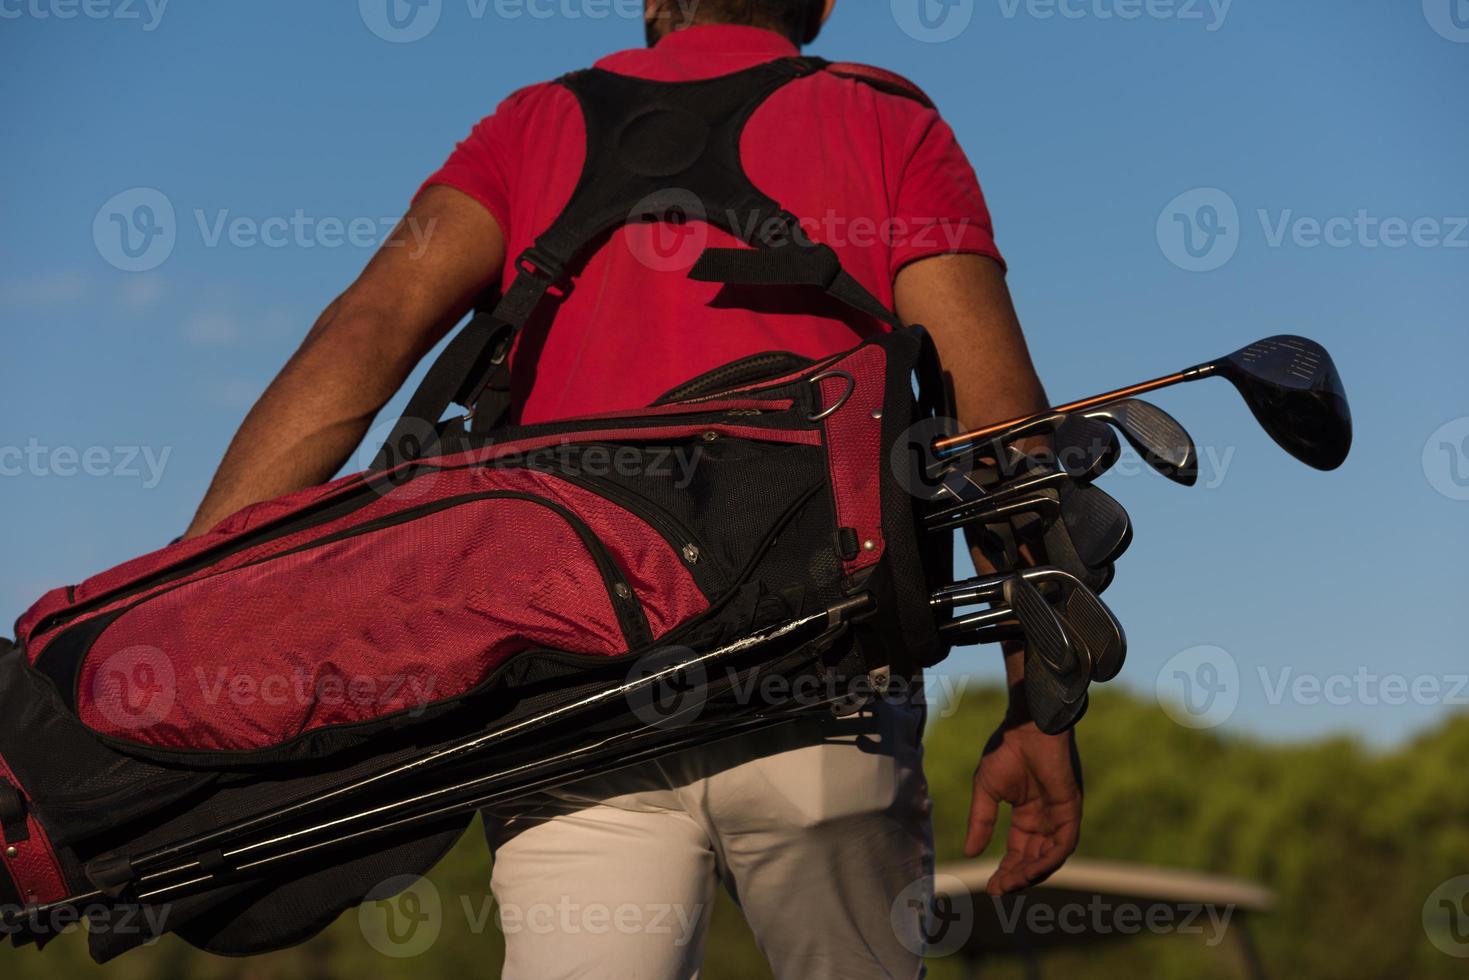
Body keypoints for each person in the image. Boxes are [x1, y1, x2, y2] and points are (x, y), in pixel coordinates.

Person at [182, 2, 1083, 976]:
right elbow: (994, 421)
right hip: (822, 664)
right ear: (818, 4)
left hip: (571, 691)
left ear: (654, 1)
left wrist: (196, 602)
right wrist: (1037, 699)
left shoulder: (533, 126)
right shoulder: (883, 119)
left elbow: (364, 331)